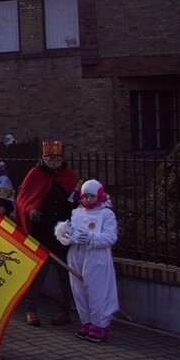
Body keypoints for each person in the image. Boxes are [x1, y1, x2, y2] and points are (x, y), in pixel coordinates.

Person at [15, 140, 80, 327]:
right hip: (42, 233)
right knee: (38, 274)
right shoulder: (35, 174)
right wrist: (31, 211)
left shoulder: (68, 175)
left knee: (65, 274)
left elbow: (77, 201)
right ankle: (31, 310)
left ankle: (64, 311)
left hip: (63, 234)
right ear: (43, 158)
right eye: (50, 158)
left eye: (57, 158)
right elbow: (23, 199)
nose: (54, 161)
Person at [56, 179, 119, 342]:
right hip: (76, 254)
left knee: (97, 292)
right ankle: (86, 322)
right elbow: (71, 235)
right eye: (86, 197)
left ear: (99, 196)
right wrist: (66, 234)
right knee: (79, 291)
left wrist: (92, 237)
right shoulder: (77, 212)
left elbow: (111, 236)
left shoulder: (106, 214)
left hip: (96, 256)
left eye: (92, 196)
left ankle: (100, 325)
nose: (88, 200)